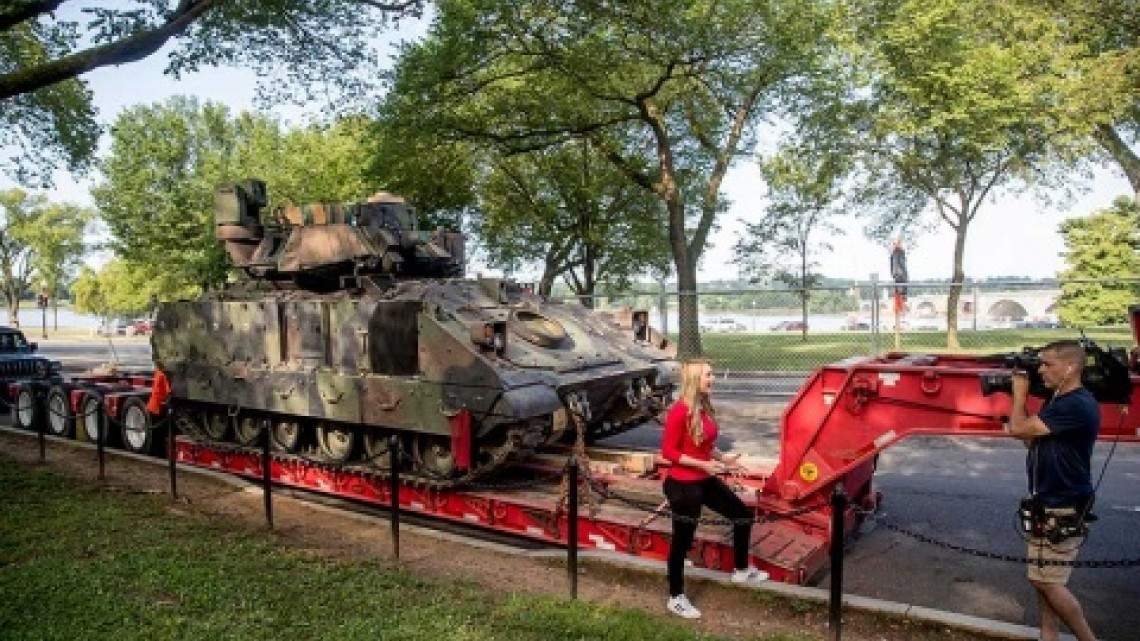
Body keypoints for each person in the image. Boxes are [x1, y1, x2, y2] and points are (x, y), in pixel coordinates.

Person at [659, 359, 768, 619]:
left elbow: (705, 444)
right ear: (695, 379)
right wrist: (704, 465)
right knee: (682, 540)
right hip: (683, 485)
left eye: (712, 374)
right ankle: (676, 597)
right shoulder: (680, 410)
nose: (713, 378)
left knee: (742, 515)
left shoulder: (703, 406)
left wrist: (724, 459)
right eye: (708, 375)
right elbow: (669, 452)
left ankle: (741, 570)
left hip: (703, 477)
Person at [1008, 340, 1099, 641]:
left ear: (1071, 367)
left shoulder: (1076, 404)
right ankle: (1049, 634)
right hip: (1046, 500)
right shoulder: (1058, 400)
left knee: (1047, 581)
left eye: (1048, 364)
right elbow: (1030, 439)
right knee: (1042, 578)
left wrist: (1018, 396)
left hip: (1063, 502)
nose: (1041, 370)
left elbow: (1017, 429)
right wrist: (1022, 413)